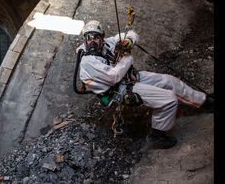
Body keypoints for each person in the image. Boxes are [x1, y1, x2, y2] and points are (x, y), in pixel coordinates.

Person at [76, 20, 213, 149]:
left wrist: (129, 41)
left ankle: (204, 101)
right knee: (169, 100)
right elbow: (113, 77)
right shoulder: (88, 62)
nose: (92, 41)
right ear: (85, 39)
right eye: (89, 38)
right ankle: (157, 135)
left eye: (96, 37)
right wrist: (127, 57)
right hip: (119, 90)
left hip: (129, 77)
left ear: (102, 37)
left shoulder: (107, 44)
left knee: (169, 81)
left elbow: (131, 33)